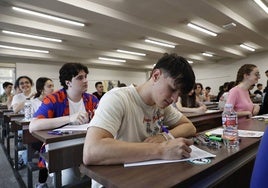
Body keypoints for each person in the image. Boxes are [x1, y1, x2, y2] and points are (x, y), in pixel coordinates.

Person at [83, 54, 197, 188]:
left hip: (145, 176)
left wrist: (164, 136)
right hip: (114, 181)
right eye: (172, 89)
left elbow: (189, 127)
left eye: (179, 94)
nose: (174, 99)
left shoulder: (160, 104)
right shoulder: (117, 98)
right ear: (156, 76)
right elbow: (91, 151)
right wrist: (160, 150)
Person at [29, 63, 99, 186]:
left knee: (99, 176)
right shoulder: (53, 99)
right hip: (60, 149)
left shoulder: (91, 99)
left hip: (88, 145)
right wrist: (69, 118)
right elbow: (33, 126)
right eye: (80, 78)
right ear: (68, 82)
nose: (86, 81)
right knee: (69, 180)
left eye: (86, 76)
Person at [30, 77, 54, 188]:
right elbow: (32, 123)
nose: (52, 88)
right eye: (49, 86)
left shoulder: (54, 101)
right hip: (36, 136)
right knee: (47, 150)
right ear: (41, 89)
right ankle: (41, 182)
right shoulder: (33, 103)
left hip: (51, 134)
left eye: (53, 86)